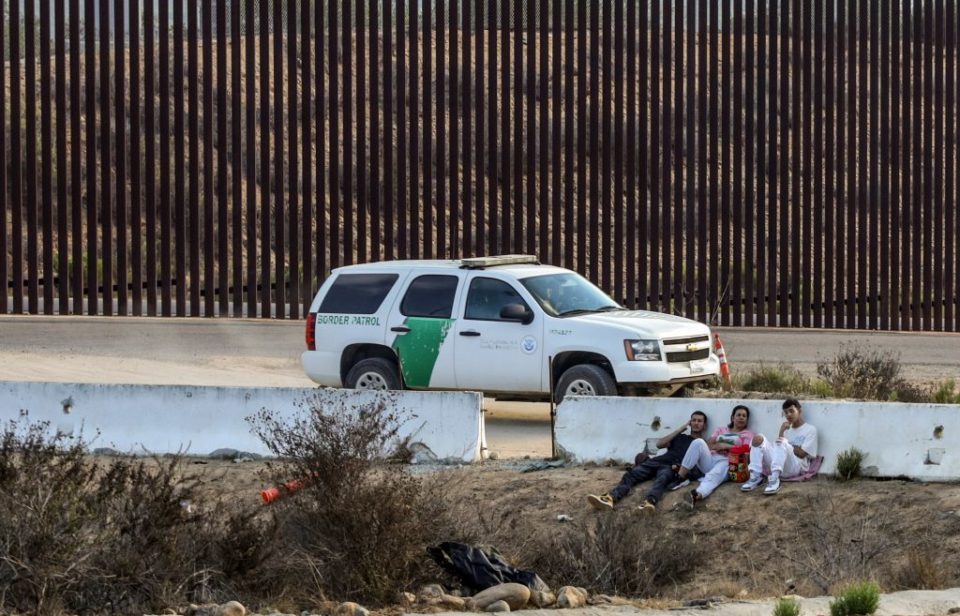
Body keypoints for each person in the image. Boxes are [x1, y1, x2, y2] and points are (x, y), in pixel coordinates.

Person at [586, 411, 708, 513]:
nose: (696, 423)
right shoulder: (681, 437)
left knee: (662, 479)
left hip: (672, 467)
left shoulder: (702, 445)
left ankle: (649, 503)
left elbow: (699, 467)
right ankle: (610, 498)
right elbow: (659, 444)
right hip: (658, 461)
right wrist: (680, 429)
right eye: (694, 420)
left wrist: (680, 469)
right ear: (690, 422)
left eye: (699, 421)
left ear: (704, 425)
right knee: (632, 474)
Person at [674, 404, 754, 507]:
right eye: (738, 415)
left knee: (715, 473)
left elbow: (746, 454)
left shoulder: (748, 435)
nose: (741, 418)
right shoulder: (721, 430)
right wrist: (719, 446)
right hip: (710, 459)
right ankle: (680, 477)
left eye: (744, 416)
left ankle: (696, 495)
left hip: (728, 462)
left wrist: (727, 447)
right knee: (698, 442)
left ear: (747, 419)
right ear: (732, 417)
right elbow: (708, 445)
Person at [741, 398, 818, 495]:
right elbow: (779, 451)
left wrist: (786, 444)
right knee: (758, 438)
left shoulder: (810, 429)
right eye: (786, 412)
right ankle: (755, 477)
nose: (788, 414)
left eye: (791, 411)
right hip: (780, 468)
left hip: (796, 467)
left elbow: (802, 454)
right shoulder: (786, 429)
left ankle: (774, 480)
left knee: (782, 442)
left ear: (799, 411)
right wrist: (781, 432)